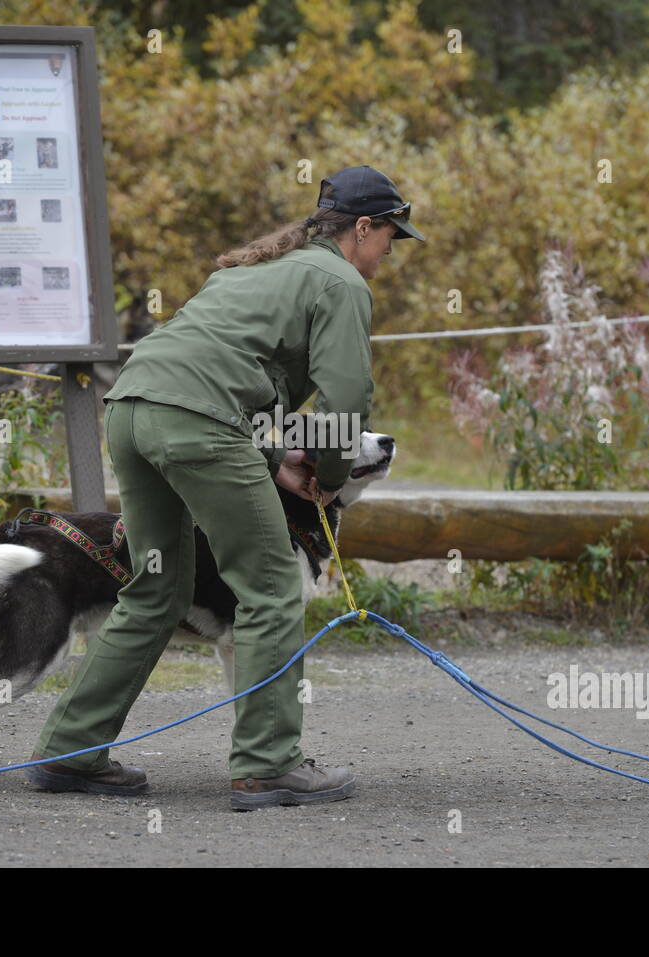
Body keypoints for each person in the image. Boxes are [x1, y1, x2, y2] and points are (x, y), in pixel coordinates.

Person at [28, 165, 425, 809]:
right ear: (362, 227)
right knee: (270, 585)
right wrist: (327, 476)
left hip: (132, 409)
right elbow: (348, 397)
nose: (389, 253)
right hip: (198, 424)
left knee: (156, 587)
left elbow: (230, 376)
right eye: (391, 237)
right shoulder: (341, 281)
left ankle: (71, 753)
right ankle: (268, 766)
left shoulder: (257, 270)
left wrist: (274, 462)